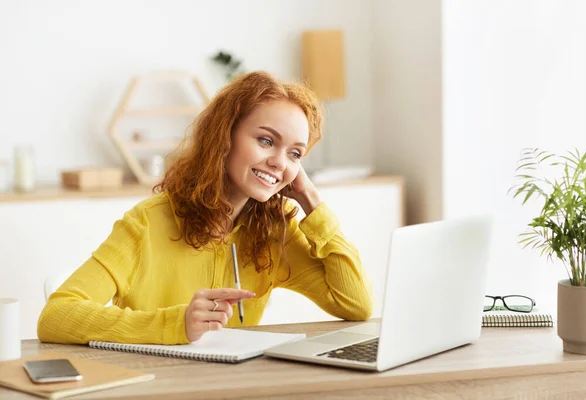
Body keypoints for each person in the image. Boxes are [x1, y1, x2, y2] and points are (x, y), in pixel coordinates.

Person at [37, 71, 373, 345]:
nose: (279, 163)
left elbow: (356, 304)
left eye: (295, 154)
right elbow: (57, 316)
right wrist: (175, 324)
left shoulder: (274, 230)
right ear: (224, 136)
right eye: (266, 141)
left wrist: (311, 200)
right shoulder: (148, 223)